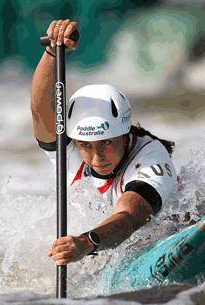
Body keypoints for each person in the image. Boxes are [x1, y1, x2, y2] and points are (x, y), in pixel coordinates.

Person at [30, 19, 178, 266]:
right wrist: (51, 52)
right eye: (86, 145)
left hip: (165, 231)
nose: (96, 155)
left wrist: (86, 243)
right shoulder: (71, 150)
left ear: (124, 134)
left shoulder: (151, 156)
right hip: (101, 243)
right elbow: (40, 111)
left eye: (105, 143)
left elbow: (129, 216)